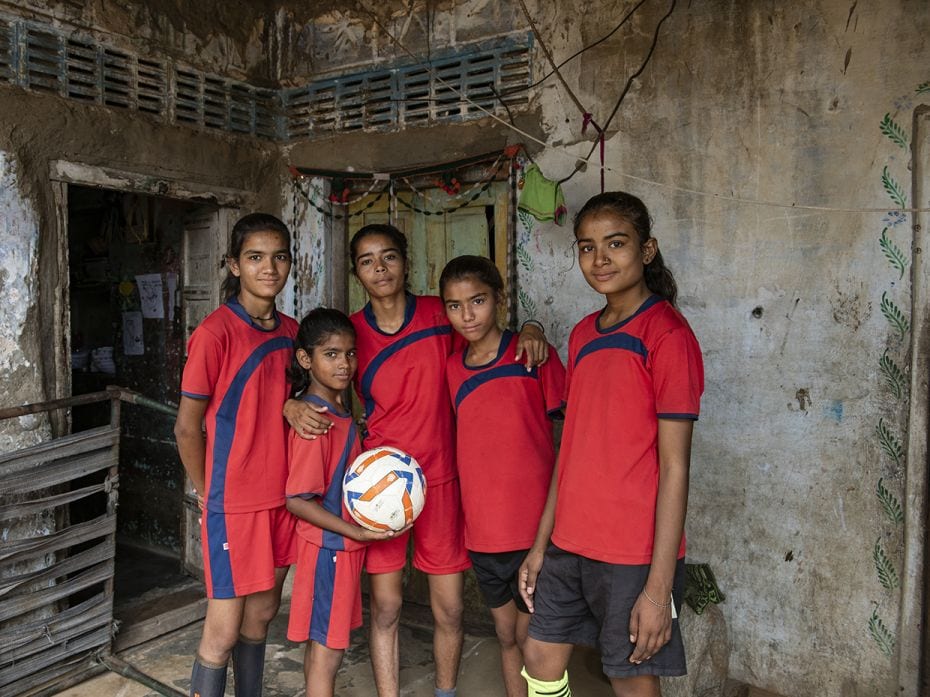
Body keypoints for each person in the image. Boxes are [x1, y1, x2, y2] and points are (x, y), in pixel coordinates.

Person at [284, 222, 550, 697]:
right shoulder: (353, 333)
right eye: (366, 261)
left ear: (406, 262)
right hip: (379, 488)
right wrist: (290, 403)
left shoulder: (439, 314)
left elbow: (488, 338)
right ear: (356, 273)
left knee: (448, 610)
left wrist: (532, 327)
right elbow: (316, 374)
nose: (379, 268)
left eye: (388, 256)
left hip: (443, 481)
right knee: (386, 609)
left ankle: (444, 693)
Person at [519, 192, 704, 697]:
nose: (599, 260)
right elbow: (571, 451)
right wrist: (541, 545)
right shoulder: (582, 335)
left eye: (615, 244)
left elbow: (675, 467)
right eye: (586, 247)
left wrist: (658, 587)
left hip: (633, 553)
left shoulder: (666, 335)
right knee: (539, 655)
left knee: (632, 677)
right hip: (569, 543)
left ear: (647, 251)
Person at [174, 213, 299, 697]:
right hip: (235, 502)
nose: (269, 268)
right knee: (223, 629)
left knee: (262, 615)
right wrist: (209, 494)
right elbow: (187, 428)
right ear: (232, 265)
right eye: (254, 258)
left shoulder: (292, 333)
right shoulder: (215, 333)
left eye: (279, 256)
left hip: (283, 497)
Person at [439, 255, 565, 697]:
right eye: (454, 306)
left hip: (535, 533)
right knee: (508, 639)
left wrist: (535, 330)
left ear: (499, 299)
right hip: (483, 536)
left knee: (537, 645)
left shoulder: (530, 355)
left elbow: (573, 437)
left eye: (477, 301)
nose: (467, 315)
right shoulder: (452, 370)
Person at [284, 307, 398, 697]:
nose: (344, 363)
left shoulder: (341, 413)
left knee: (324, 647)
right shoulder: (316, 422)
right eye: (331, 354)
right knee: (327, 653)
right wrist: (356, 532)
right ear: (306, 359)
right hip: (330, 550)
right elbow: (298, 500)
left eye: (350, 353)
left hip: (339, 551)